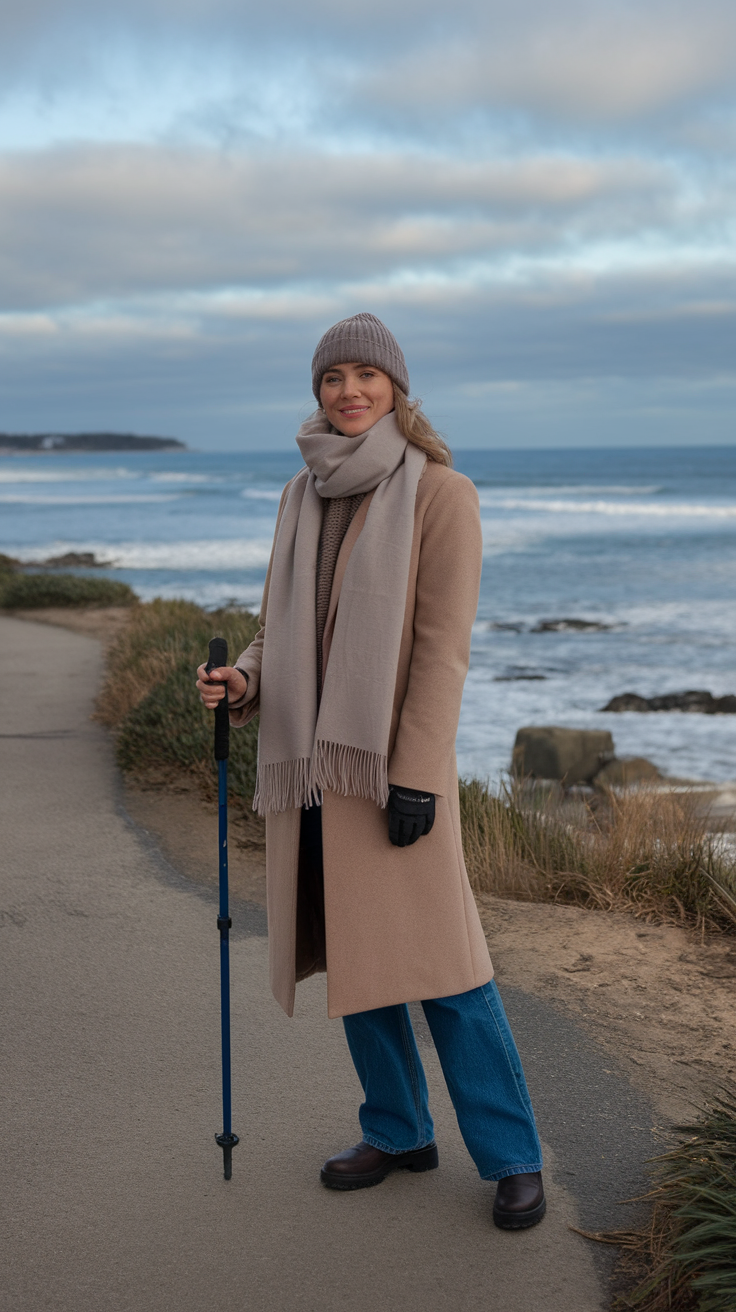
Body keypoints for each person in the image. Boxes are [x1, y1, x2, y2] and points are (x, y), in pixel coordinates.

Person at [196, 312, 545, 1229]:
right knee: (356, 959)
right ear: (316, 392)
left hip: (391, 773)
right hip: (313, 770)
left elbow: (441, 652)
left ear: (395, 386)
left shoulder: (441, 494)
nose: (347, 392)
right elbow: (286, 627)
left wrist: (419, 776)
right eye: (330, 378)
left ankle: (512, 1155)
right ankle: (397, 1131)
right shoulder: (299, 493)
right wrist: (245, 681)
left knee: (448, 971)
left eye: (364, 376)